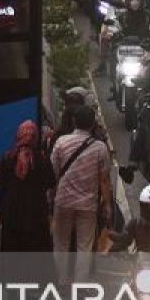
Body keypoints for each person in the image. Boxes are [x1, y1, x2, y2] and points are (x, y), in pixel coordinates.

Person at [50, 104, 112, 286]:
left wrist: (51, 195)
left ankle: (61, 282)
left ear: (74, 121)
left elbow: (53, 172)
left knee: (60, 244)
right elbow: (105, 180)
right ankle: (80, 284)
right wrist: (107, 204)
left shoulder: (61, 142)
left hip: (63, 201)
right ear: (93, 124)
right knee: (84, 246)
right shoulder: (100, 148)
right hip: (87, 204)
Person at [0, 119, 55, 280]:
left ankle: (13, 284)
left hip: (12, 211)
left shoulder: (8, 157)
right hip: (35, 212)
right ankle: (35, 283)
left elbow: (1, 187)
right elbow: (51, 181)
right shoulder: (41, 159)